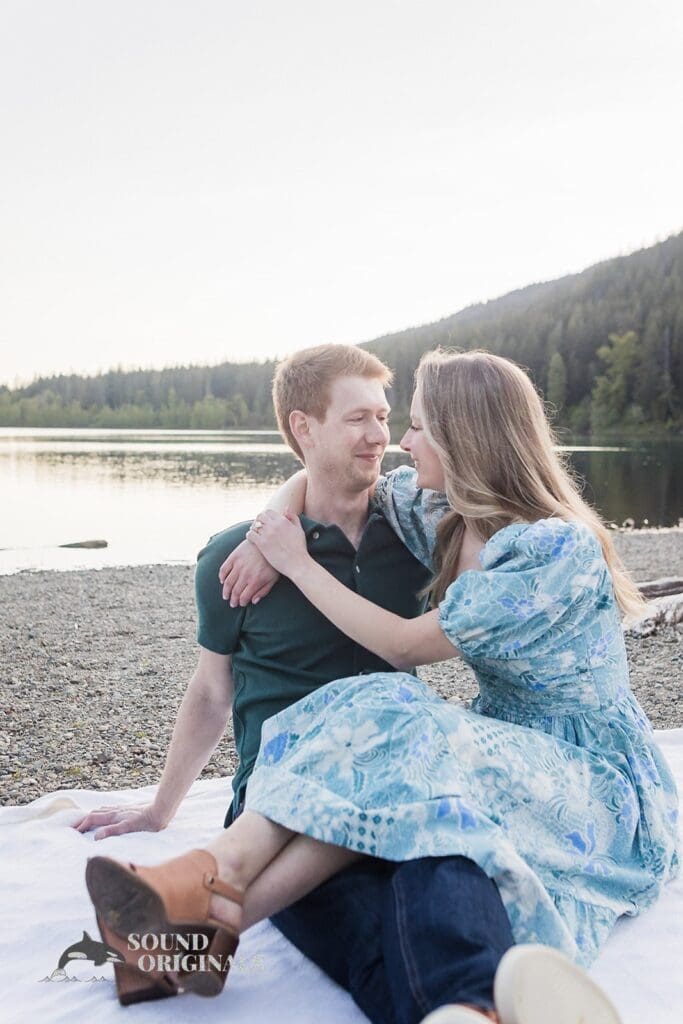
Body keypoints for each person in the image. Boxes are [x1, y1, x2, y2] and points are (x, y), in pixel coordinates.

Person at [84, 347, 680, 1023]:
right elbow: (211, 687)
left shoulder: (542, 550)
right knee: (431, 831)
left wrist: (296, 561)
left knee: (411, 758)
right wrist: (267, 532)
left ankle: (207, 902)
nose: (395, 441)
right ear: (302, 427)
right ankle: (466, 1009)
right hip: (322, 777)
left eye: (410, 424)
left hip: (573, 771)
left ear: (466, 436)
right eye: (367, 419)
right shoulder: (432, 514)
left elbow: (401, 644)